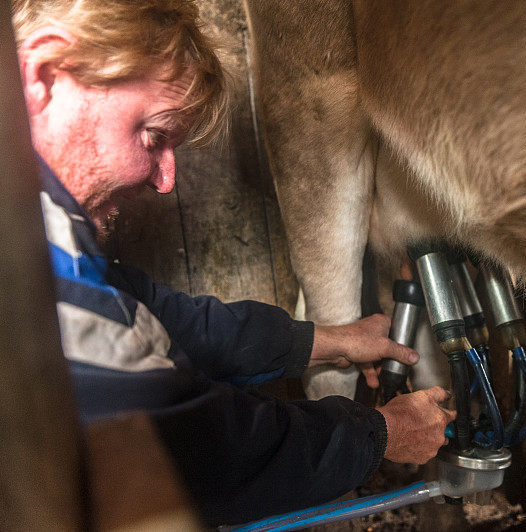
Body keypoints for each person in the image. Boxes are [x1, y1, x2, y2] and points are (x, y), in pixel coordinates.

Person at [12, 0, 455, 526]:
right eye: (152, 137)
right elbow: (203, 450)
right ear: (43, 75)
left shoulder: (35, 232)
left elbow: (164, 317)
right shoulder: (35, 280)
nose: (165, 181)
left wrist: (325, 340)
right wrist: (380, 434)